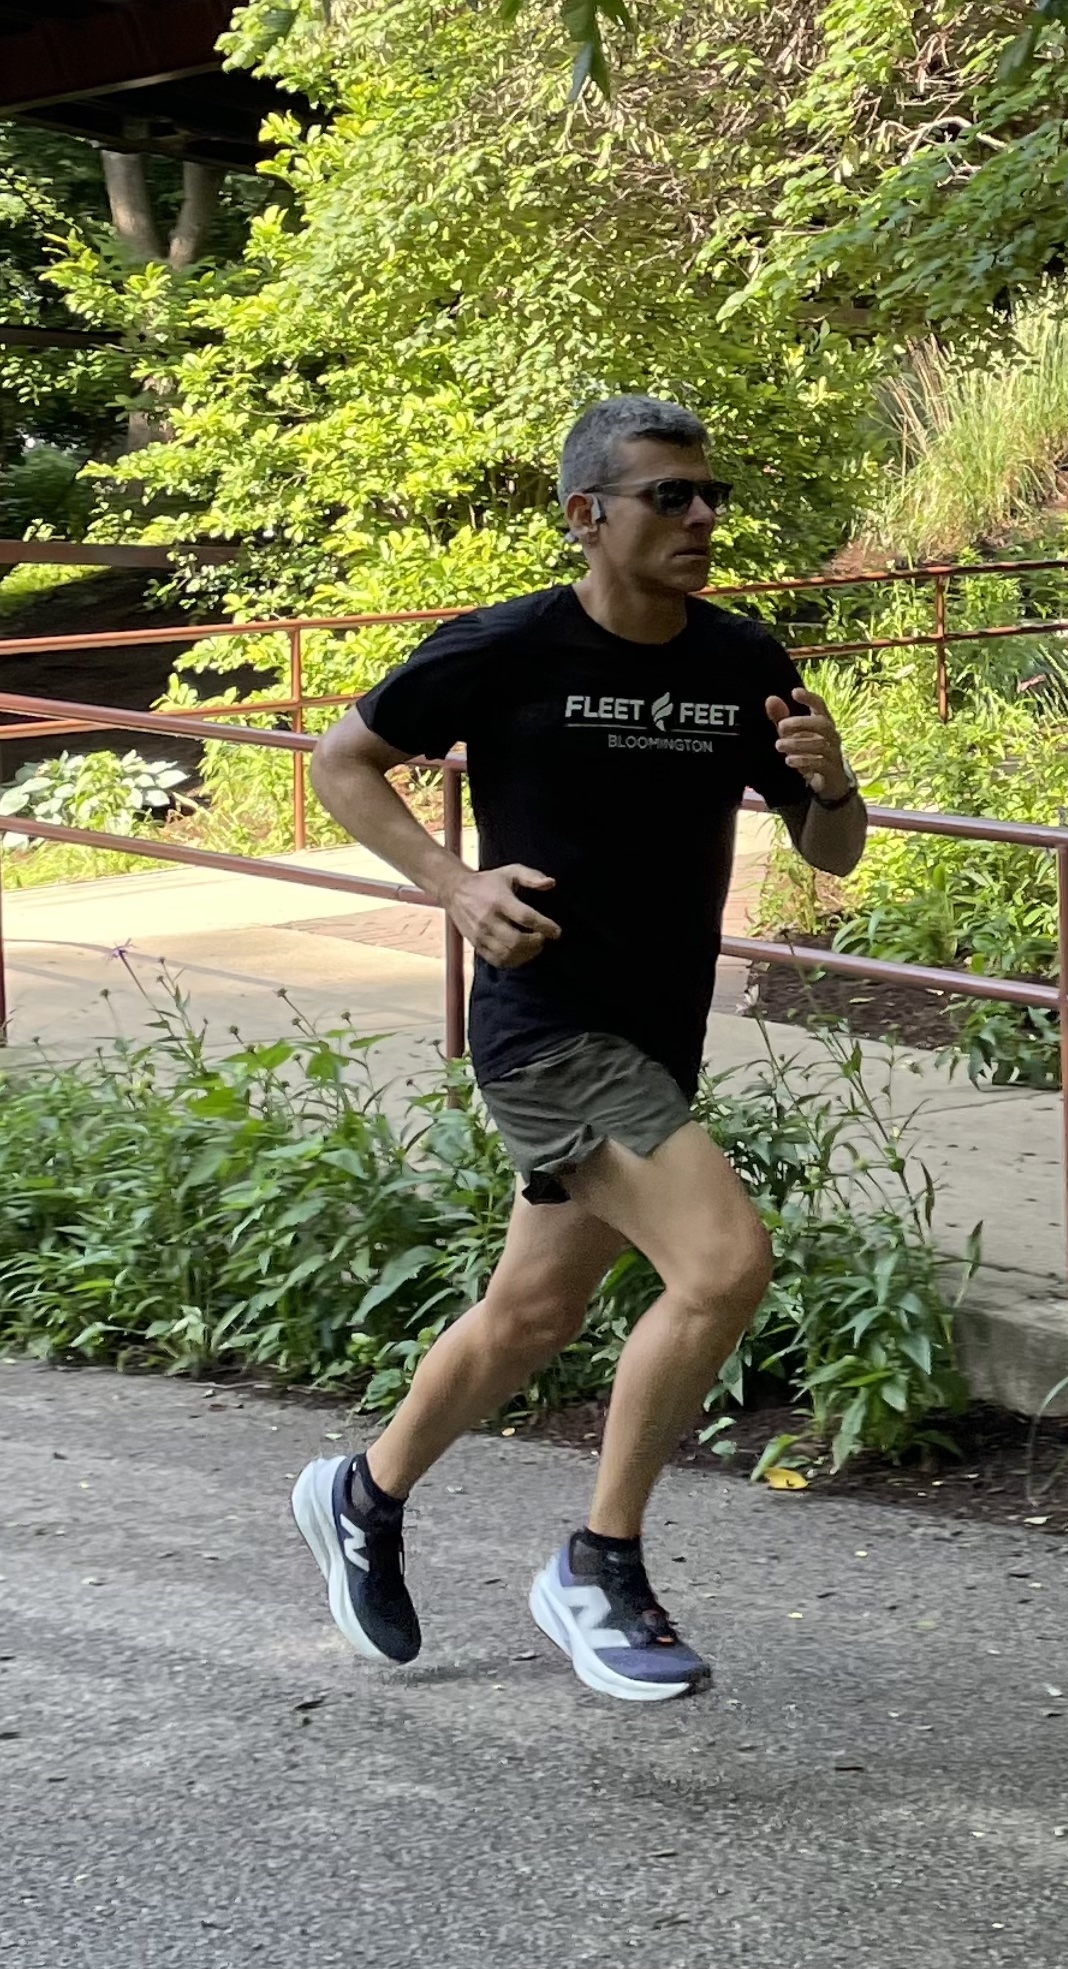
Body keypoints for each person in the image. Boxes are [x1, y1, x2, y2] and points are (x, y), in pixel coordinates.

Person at [292, 394, 866, 1703]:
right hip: (547, 1031)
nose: (701, 517)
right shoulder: (507, 646)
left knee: (534, 1313)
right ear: (586, 514)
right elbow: (342, 761)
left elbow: (831, 851)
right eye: (669, 495)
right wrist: (452, 883)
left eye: (710, 495)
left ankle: (362, 1493)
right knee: (723, 1264)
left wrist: (830, 780)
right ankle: (597, 1565)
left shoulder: (738, 656)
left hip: (657, 1034)